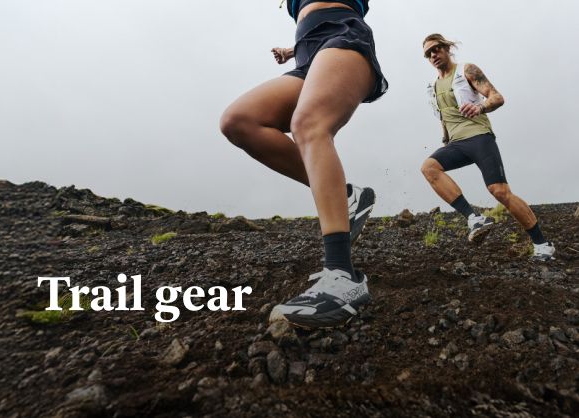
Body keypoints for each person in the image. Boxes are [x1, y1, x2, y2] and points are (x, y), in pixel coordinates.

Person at [220, 0, 387, 329]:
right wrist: (292, 49)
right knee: (238, 120)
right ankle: (347, 195)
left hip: (343, 38)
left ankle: (342, 276)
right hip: (309, 55)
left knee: (308, 124)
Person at [419, 34, 555, 261]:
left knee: (500, 192)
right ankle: (474, 218)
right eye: (428, 53)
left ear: (447, 48)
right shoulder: (432, 87)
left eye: (436, 49)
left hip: (479, 137)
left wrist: (480, 107)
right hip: (456, 144)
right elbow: (444, 118)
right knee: (429, 168)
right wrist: (445, 141)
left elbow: (497, 97)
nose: (433, 55)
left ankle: (542, 244)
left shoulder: (466, 70)